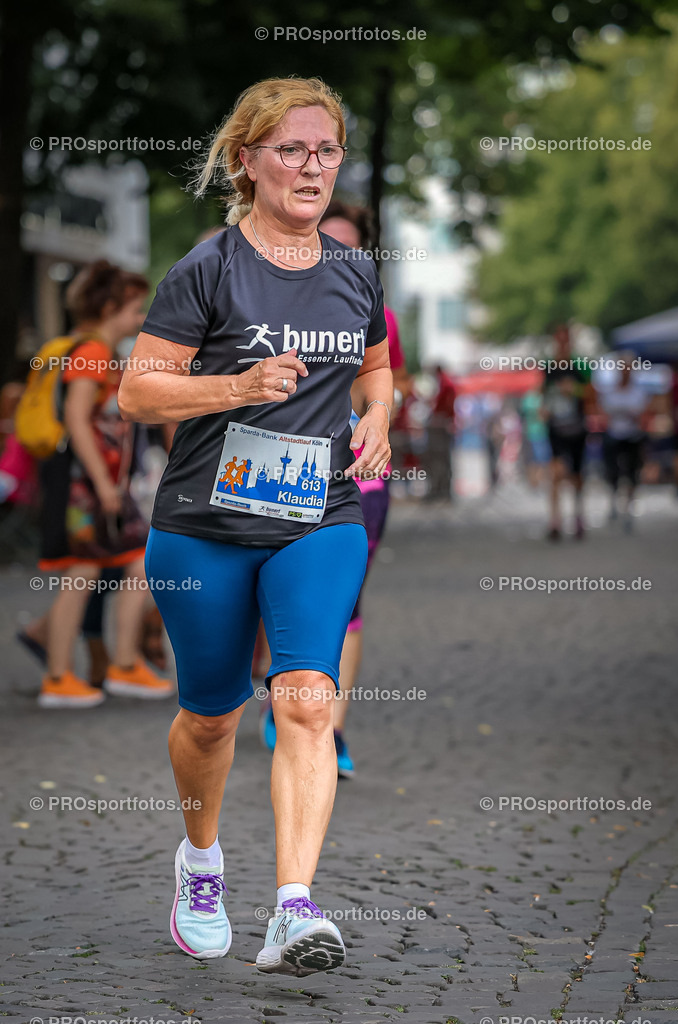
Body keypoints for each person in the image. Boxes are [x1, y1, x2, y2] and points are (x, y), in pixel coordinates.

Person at [118, 77, 393, 974]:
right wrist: (236, 387)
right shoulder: (208, 268)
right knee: (209, 717)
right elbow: (137, 391)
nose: (312, 167)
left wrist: (379, 417)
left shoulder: (356, 272)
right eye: (291, 150)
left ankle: (294, 909)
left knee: (306, 700)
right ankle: (200, 862)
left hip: (319, 516)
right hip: (204, 528)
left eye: (325, 151)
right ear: (248, 161)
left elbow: (379, 363)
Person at [259, 200, 410, 776]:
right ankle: (287, 692)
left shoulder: (378, 315)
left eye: (350, 247)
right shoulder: (270, 305)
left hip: (357, 471)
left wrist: (375, 416)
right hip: (281, 464)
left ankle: (332, 728)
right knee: (278, 585)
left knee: (345, 599)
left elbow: (386, 382)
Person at [36, 260, 174, 707]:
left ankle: (98, 667)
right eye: (135, 309)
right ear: (111, 307)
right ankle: (96, 669)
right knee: (97, 569)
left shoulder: (92, 350)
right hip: (88, 485)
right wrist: (104, 484)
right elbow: (78, 420)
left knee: (104, 567)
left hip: (86, 483)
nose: (140, 319)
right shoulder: (93, 352)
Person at [541, 326, 595, 540]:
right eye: (559, 340)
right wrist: (543, 409)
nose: (562, 344)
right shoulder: (548, 367)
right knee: (555, 473)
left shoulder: (581, 366)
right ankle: (555, 520)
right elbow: (542, 394)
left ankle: (578, 516)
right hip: (555, 428)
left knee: (576, 475)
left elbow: (592, 394)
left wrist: (575, 390)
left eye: (566, 340)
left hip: (577, 428)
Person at [599, 357, 650, 529]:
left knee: (632, 473)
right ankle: (613, 502)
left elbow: (643, 416)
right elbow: (603, 414)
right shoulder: (610, 392)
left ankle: (628, 508)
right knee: (612, 472)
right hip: (614, 436)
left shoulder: (638, 392)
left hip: (632, 436)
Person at [425, 365, 456, 500]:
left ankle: (442, 490)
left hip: (441, 427)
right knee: (440, 461)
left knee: (440, 461)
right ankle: (441, 489)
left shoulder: (445, 384)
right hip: (442, 425)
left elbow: (446, 406)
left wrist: (439, 418)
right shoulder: (445, 383)